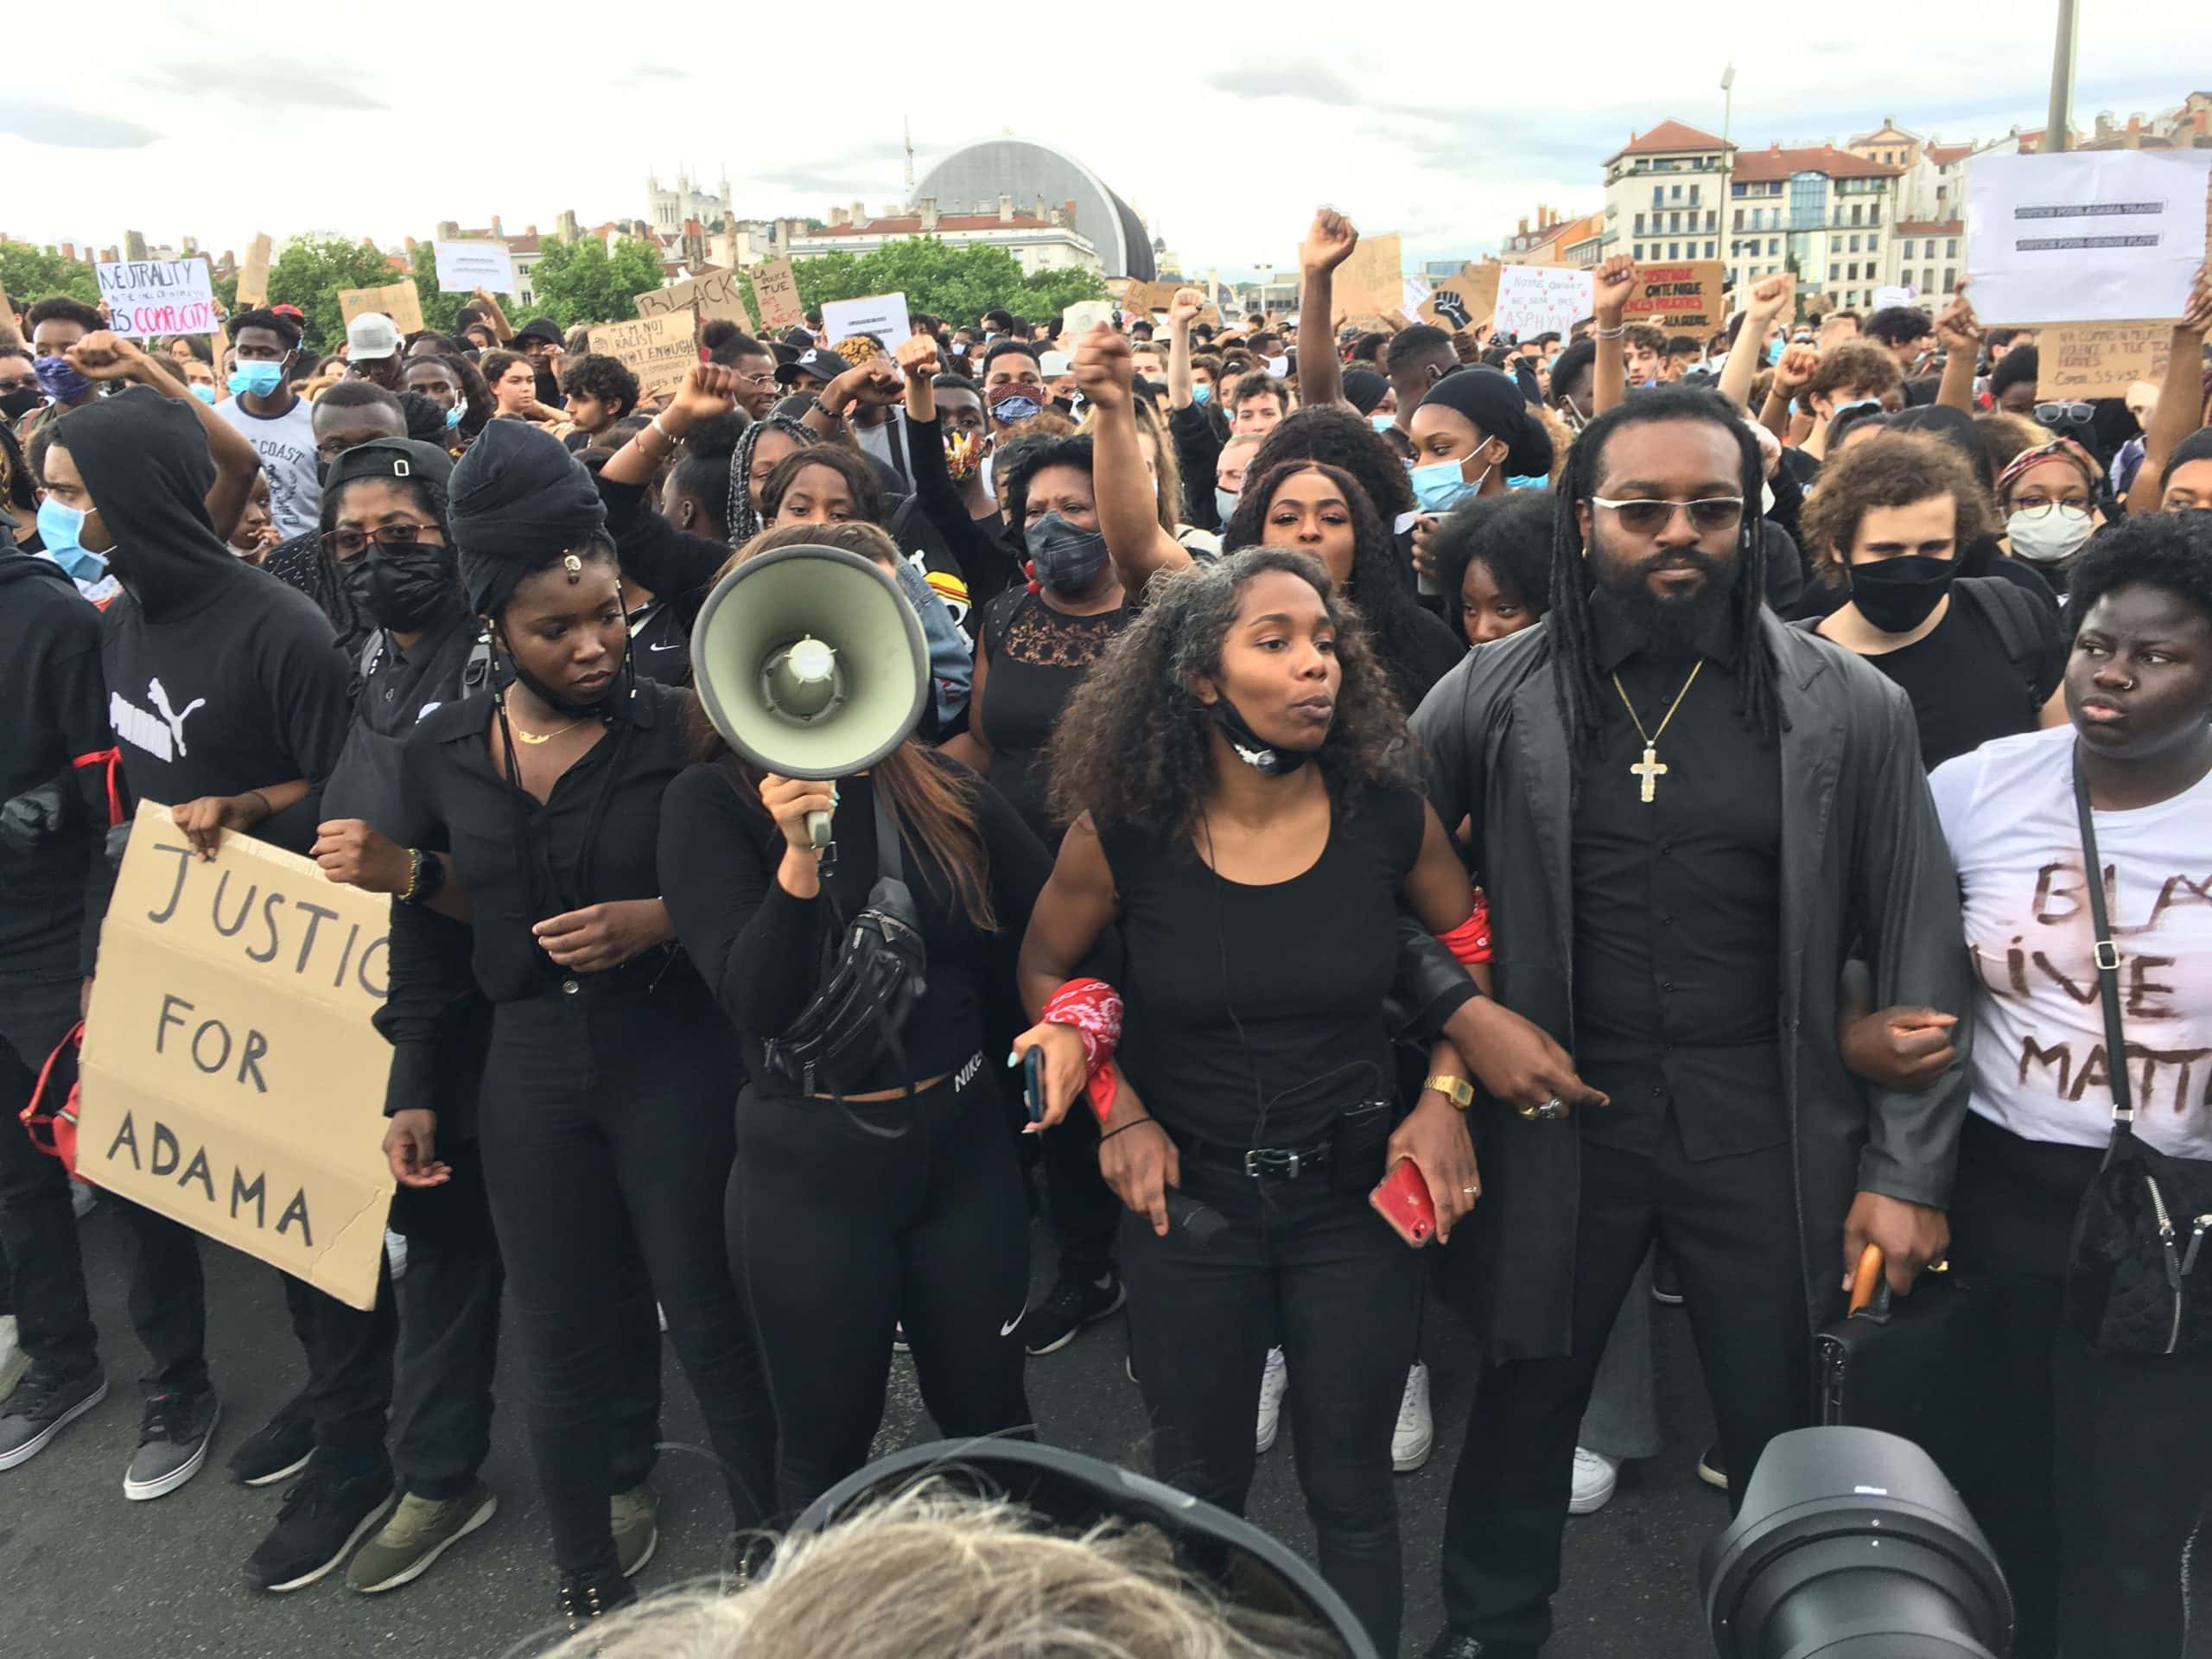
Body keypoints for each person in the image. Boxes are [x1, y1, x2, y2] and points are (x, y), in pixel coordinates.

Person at [1412, 387, 1973, 1659]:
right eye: (1643, 508)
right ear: (1583, 519)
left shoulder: (1847, 706)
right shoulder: (1495, 691)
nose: (1679, 533)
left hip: (1762, 1114)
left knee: (1785, 1421)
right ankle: (1490, 1632)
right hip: (1561, 1107)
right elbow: (1376, 870)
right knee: (1523, 1397)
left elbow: (1918, 945)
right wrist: (1463, 1018)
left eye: (1711, 508)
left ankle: (1799, 1635)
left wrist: (1905, 1168)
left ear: (1753, 520)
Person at [1014, 547, 1484, 1652]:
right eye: (1273, 643)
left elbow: (1468, 948)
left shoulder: (1387, 817)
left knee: (1352, 1491)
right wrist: (1116, 1110)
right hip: (1192, 1212)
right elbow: (1045, 967)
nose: (1315, 665)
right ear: (1200, 680)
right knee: (1196, 1493)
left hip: (1357, 1203)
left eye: (1324, 641)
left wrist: (1448, 1095)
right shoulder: (1122, 833)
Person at [376, 420, 773, 1627]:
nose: (595, 643)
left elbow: (774, 890)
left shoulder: (688, 725)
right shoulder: (440, 752)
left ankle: (776, 1546)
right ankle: (587, 1577)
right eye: (558, 627)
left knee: (709, 1316)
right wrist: (413, 1083)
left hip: (672, 1059)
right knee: (560, 1335)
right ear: (494, 623)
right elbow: (434, 938)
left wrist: (659, 919)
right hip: (529, 1075)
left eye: (606, 611)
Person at [43, 386, 405, 1594]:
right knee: (256, 1214)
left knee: (315, 1217)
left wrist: (250, 810)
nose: (63, 512)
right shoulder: (120, 622)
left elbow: (356, 789)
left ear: (137, 496)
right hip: (187, 961)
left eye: (79, 491)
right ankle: (334, 1393)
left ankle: (362, 1454)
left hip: (300, 965)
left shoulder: (278, 628)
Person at [659, 518, 1046, 1514]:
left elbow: (1047, 929)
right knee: (824, 1447)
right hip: (808, 1171)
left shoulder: (945, 791)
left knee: (995, 1425)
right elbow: (756, 1000)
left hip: (962, 1151)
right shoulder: (707, 806)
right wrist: (796, 862)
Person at [1928, 513, 2212, 1657]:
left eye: (2159, 655)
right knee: (1999, 1499)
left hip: (2176, 1218)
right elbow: (1889, 950)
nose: (2114, 673)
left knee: (2131, 1525)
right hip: (2006, 1191)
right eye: (2098, 643)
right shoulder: (1980, 789)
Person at [0, 518, 118, 1478]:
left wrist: (92, 951)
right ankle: (59, 1358)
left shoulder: (47, 616)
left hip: (50, 947)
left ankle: (182, 1374)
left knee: (117, 1168)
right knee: (13, 1179)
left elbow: (108, 802)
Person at [1799, 430, 2065, 769]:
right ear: (1838, 547)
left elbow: (2061, 768)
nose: (1911, 566)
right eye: (1887, 550)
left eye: (1933, 548)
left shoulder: (2010, 617)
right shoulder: (1799, 666)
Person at [212, 308, 321, 537]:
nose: (254, 360)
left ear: (290, 357)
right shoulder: (216, 421)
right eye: (246, 351)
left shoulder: (317, 422)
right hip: (235, 561)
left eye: (265, 352)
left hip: (300, 558)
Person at [1996, 436, 2107, 591]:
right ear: (2004, 510)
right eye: (2034, 501)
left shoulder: (2107, 587)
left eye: (2072, 501)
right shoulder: (1984, 583)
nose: (2054, 513)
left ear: (2091, 512)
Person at [18, 297, 108, 446]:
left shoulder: (126, 419)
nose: (55, 360)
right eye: (43, 352)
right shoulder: (29, 424)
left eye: (67, 349)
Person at [556, 354, 640, 454]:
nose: (568, 408)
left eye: (581, 400)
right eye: (569, 399)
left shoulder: (633, 448)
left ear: (612, 405)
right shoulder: (572, 441)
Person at [480, 350, 559, 423]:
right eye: (515, 381)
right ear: (494, 387)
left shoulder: (535, 425)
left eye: (530, 381)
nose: (526, 388)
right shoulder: (487, 427)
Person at [346, 314, 406, 393]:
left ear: (398, 348)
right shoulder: (359, 394)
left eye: (383, 361)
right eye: (367, 363)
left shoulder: (421, 382)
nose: (376, 371)